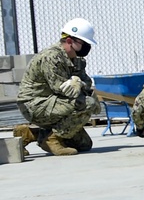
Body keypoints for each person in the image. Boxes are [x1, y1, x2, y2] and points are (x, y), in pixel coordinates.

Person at [14, 18, 102, 157]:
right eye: (83, 43)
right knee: (87, 103)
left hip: (55, 102)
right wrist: (87, 95)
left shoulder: (77, 60)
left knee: (84, 144)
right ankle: (52, 139)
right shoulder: (52, 57)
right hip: (35, 104)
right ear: (69, 41)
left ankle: (29, 134)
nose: (86, 47)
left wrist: (81, 84)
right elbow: (62, 89)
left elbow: (86, 82)